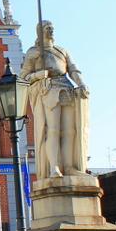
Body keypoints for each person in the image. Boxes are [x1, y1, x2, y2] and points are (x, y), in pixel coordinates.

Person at [19, 20, 89, 178]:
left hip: (66, 87)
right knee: (53, 130)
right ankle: (54, 167)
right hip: (49, 89)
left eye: (52, 28)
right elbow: (23, 75)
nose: (50, 30)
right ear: (40, 31)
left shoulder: (62, 51)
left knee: (70, 131)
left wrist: (82, 84)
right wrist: (38, 75)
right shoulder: (34, 52)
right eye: (46, 28)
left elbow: (73, 69)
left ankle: (69, 167)